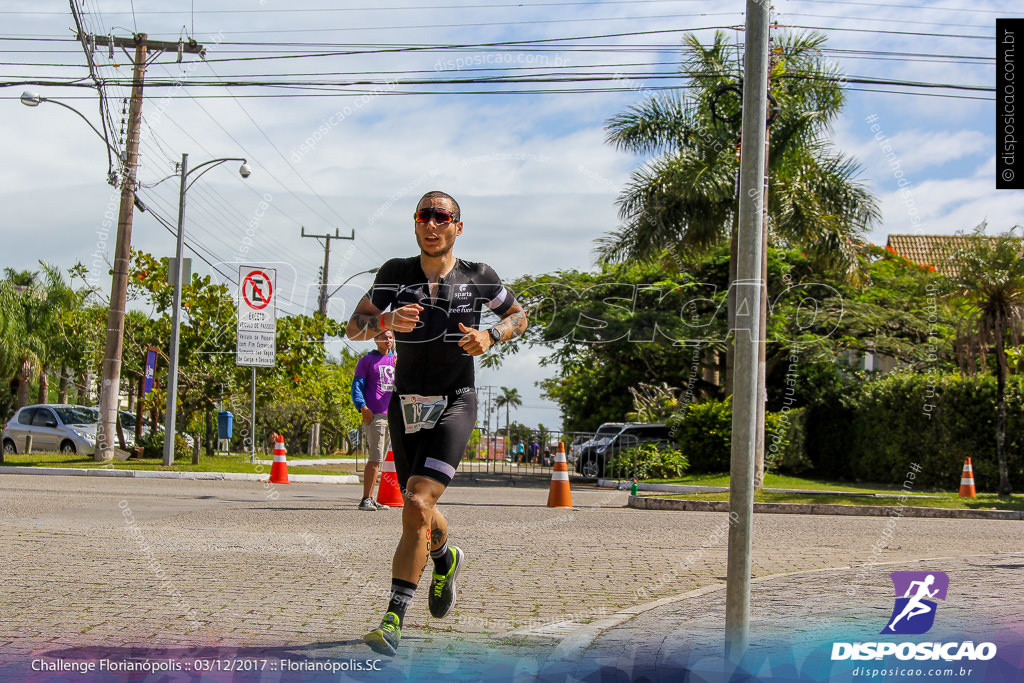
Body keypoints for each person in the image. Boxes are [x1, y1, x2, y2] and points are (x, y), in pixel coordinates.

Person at [346, 190, 528, 656]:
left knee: (416, 499)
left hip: (455, 400)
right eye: (424, 216)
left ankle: (392, 620)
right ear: (415, 224)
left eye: (441, 217)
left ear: (457, 227)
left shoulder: (478, 276)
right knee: (416, 508)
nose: (432, 224)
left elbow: (518, 315)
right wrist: (385, 320)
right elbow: (354, 325)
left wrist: (492, 334)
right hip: (404, 407)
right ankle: (445, 558)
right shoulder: (394, 274)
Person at [351, 329, 396, 511]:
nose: (388, 340)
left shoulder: (395, 361)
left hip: (391, 416)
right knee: (375, 458)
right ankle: (366, 499)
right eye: (384, 337)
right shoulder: (367, 360)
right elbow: (357, 386)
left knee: (381, 459)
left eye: (391, 337)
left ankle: (372, 498)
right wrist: (363, 407)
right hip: (375, 415)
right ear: (375, 339)